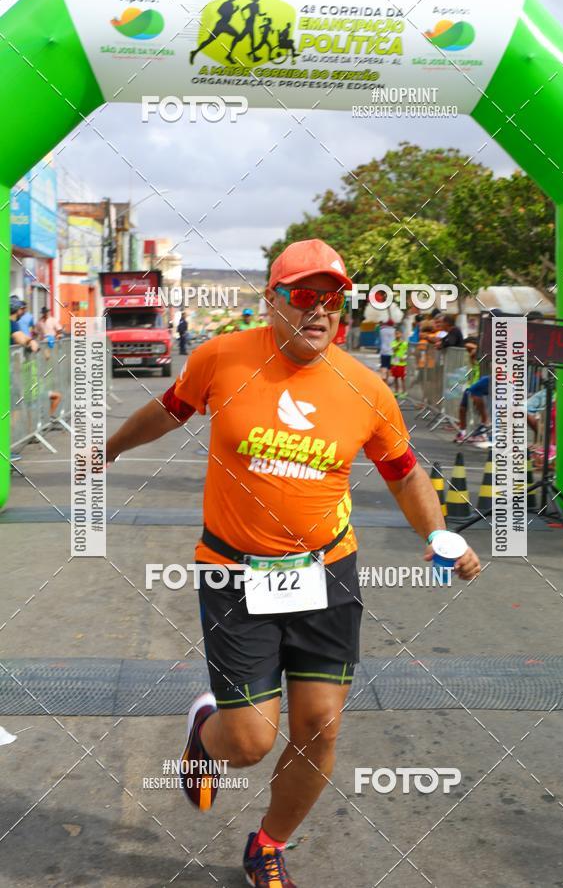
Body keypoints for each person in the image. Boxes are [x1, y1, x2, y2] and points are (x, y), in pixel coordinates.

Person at [106, 238, 480, 887]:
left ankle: (268, 845)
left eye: (332, 298)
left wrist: (439, 535)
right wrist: (106, 450)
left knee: (319, 728)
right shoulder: (223, 357)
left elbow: (403, 472)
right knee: (249, 742)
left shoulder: (364, 387)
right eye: (304, 295)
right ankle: (206, 730)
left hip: (325, 570)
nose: (319, 310)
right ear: (271, 300)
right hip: (232, 571)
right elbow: (169, 411)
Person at [455, 338, 490, 443]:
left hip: (481, 388)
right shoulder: (473, 358)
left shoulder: (483, 358)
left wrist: (476, 347)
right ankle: (463, 431)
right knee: (462, 409)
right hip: (471, 387)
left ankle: (483, 432)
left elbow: (473, 348)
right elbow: (470, 348)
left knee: (478, 413)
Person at [190, 0, 240, 65]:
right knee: (210, 40)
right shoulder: (227, 4)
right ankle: (195, 52)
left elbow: (228, 13)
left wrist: (234, 10)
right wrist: (228, 13)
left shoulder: (230, 4)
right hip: (222, 24)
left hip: (224, 24)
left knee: (236, 36)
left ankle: (229, 55)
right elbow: (219, 11)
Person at [390, 327, 408, 397]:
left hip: (402, 363)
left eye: (398, 334)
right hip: (395, 363)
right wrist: (399, 343)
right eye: (395, 334)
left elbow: (407, 352)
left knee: (403, 378)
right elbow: (394, 350)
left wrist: (404, 358)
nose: (397, 335)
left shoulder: (405, 343)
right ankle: (396, 391)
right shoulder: (393, 342)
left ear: (401, 334)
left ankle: (404, 392)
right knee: (395, 378)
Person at [378, 319, 395, 383]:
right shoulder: (394, 331)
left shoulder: (382, 330)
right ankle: (387, 380)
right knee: (389, 367)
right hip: (391, 351)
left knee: (383, 366)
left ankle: (383, 379)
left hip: (383, 351)